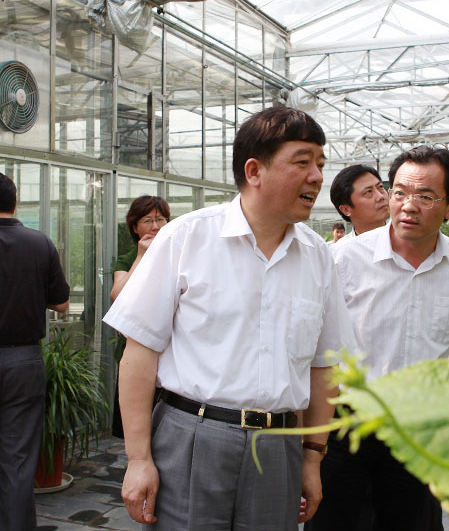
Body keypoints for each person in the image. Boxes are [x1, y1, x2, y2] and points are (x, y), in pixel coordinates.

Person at [103, 106, 356, 529]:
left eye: (320, 163)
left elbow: (323, 367)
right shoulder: (186, 237)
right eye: (302, 162)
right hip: (191, 436)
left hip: (279, 447)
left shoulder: (317, 257)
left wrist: (313, 457)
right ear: (254, 170)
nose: (317, 176)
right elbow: (140, 352)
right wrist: (138, 459)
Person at [307, 146, 449, 531]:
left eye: (425, 196)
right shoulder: (343, 259)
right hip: (347, 425)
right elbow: (312, 346)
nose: (408, 206)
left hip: (419, 431)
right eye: (399, 192)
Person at [0, 172, 70, 531]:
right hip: (22, 360)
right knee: (17, 461)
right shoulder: (40, 243)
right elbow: (61, 303)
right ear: (15, 203)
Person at [109, 195, 171, 438]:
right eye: (147, 221)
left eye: (161, 219)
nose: (155, 226)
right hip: (136, 353)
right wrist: (141, 257)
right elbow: (118, 294)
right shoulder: (127, 258)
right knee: (136, 427)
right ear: (135, 228)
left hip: (171, 353)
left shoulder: (177, 255)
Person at [329, 164, 388, 241]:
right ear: (346, 209)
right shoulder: (344, 248)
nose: (380, 196)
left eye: (380, 187)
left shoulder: (403, 238)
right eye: (368, 192)